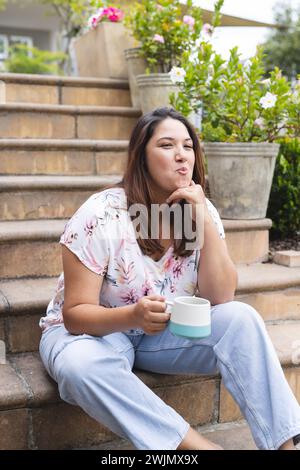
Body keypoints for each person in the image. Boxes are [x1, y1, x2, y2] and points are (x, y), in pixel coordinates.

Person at [39, 107, 300, 450]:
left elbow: (221, 296)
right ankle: (197, 447)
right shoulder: (102, 214)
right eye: (166, 145)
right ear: (141, 158)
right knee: (78, 367)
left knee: (242, 318)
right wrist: (133, 316)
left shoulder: (196, 210)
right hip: (96, 333)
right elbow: (75, 314)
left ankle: (284, 446)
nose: (181, 155)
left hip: (160, 336)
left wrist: (204, 218)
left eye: (188, 146)